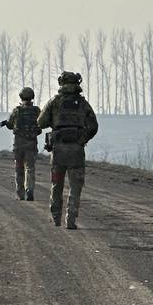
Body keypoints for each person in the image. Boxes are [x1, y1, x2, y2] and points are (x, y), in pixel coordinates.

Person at [38, 71, 98, 229]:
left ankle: (55, 217)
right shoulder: (83, 103)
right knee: (75, 186)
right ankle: (70, 220)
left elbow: (41, 122)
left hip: (58, 150)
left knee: (56, 184)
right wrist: (81, 139)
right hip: (76, 151)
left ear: (61, 83)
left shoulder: (54, 102)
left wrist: (54, 121)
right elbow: (93, 126)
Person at [5, 86, 41, 201]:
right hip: (31, 143)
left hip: (18, 144)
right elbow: (40, 124)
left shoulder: (17, 110)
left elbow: (10, 124)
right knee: (30, 168)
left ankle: (20, 194)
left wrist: (7, 123)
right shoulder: (36, 111)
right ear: (32, 97)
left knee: (19, 168)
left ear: (21, 97)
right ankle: (29, 189)